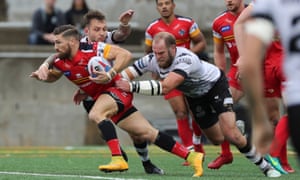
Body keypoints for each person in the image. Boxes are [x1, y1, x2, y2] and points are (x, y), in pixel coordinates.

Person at [30, 25, 204, 177]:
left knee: (96, 113)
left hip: (117, 90)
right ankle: (193, 157)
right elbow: (54, 77)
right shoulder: (61, 61)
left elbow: (125, 55)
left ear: (73, 42)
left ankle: (118, 158)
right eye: (54, 43)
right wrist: (43, 76)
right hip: (108, 97)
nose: (55, 47)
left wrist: (110, 73)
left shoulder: (93, 49)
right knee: (148, 133)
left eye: (58, 42)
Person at [117, 31, 281, 178]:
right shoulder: (152, 59)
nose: (157, 57)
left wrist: (131, 86)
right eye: (155, 52)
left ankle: (265, 167)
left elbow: (166, 87)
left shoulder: (186, 59)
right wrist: (114, 79)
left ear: (173, 49)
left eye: (161, 53)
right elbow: (127, 73)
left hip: (215, 85)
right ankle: (235, 127)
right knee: (216, 139)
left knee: (232, 136)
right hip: (195, 97)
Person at [33, 10, 164, 175]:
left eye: (104, 29)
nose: (102, 33)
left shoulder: (105, 40)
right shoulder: (76, 44)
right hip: (91, 94)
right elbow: (60, 56)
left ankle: (146, 163)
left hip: (113, 89)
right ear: (86, 31)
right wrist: (46, 66)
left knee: (136, 134)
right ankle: (118, 154)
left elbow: (121, 35)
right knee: (100, 121)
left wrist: (124, 24)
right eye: (97, 29)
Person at [235, 0, 300, 165]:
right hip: (277, 66)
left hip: (291, 86)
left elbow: (250, 63)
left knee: (278, 114)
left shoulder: (269, 4)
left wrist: (258, 120)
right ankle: (276, 153)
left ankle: (276, 155)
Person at [144, 0, 207, 161]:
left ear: (173, 5)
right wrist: (155, 68)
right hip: (168, 76)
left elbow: (201, 42)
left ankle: (198, 145)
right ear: (157, 7)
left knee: (195, 113)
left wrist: (187, 57)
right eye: (160, 4)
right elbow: (148, 52)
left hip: (188, 75)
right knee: (180, 112)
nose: (164, 7)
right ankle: (190, 152)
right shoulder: (152, 28)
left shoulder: (187, 23)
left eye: (167, 3)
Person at [210, 0, 249, 169]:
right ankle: (226, 154)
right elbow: (219, 51)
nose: (229, 1)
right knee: (219, 105)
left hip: (264, 65)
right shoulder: (219, 22)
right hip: (237, 70)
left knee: (273, 115)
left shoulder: (256, 13)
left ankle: (279, 157)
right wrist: (220, 76)